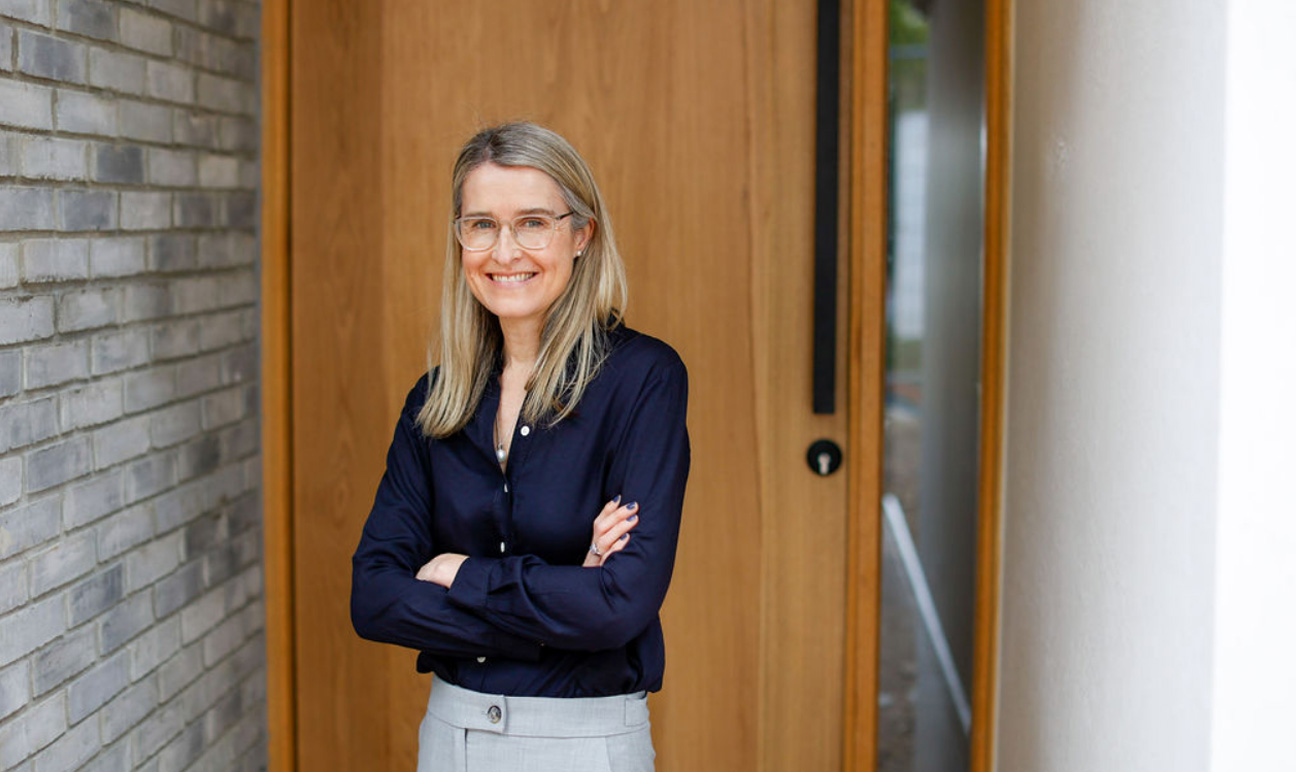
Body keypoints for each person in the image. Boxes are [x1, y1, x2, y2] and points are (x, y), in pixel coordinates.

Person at [350, 122, 690, 772]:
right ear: (460, 240)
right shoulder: (435, 400)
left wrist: (459, 575)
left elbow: (621, 604)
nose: (505, 251)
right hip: (451, 736)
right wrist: (561, 597)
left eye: (533, 222)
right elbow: (373, 598)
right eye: (481, 225)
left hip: (585, 744)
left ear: (581, 234)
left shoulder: (644, 380)